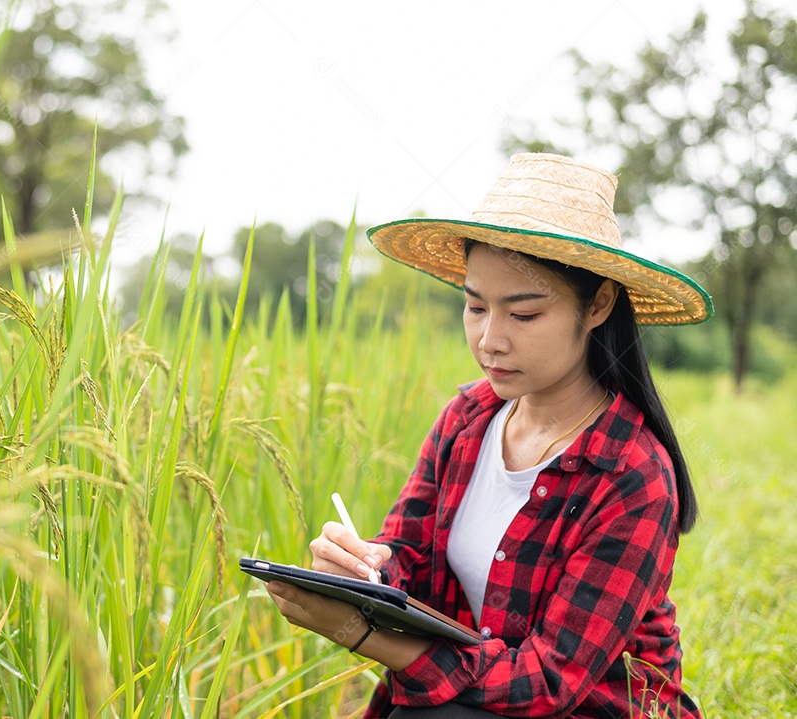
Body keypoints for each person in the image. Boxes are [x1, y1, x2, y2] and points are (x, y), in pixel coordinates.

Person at [265, 153, 710, 718]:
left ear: (597, 305)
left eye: (522, 315)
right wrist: (365, 570)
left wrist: (362, 633)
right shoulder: (467, 420)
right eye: (475, 306)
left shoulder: (632, 475)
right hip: (472, 699)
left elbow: (550, 680)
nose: (489, 340)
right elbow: (411, 555)